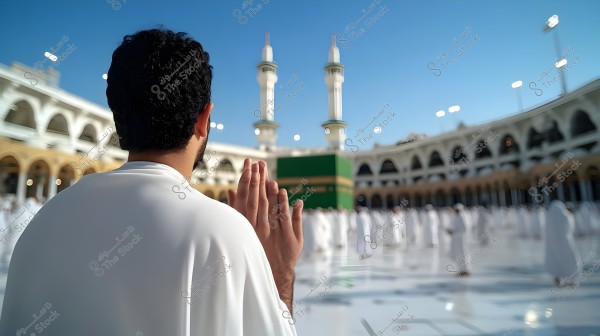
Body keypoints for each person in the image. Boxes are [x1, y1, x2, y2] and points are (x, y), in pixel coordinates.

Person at [0, 28, 302, 336]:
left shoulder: (46, 218)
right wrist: (280, 270)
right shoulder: (223, 234)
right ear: (203, 119)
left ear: (118, 119)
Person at [545, 201, 581, 286]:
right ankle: (572, 280)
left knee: (555, 261)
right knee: (570, 261)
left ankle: (557, 279)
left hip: (553, 244)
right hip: (565, 242)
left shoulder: (549, 217)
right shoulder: (565, 216)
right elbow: (569, 229)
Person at [447, 204, 470, 277]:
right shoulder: (455, 217)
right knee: (458, 255)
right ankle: (460, 270)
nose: (456, 211)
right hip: (456, 239)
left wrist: (454, 232)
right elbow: (454, 227)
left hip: (462, 239)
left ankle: (465, 270)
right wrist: (451, 231)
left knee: (463, 254)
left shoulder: (463, 217)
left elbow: (465, 229)